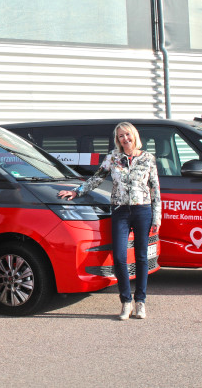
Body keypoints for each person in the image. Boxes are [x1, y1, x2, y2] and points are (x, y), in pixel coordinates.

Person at [58, 122, 161, 320]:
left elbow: (155, 189)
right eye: (121, 136)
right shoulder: (113, 158)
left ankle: (140, 302)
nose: (125, 139)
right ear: (117, 139)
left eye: (128, 135)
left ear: (134, 136)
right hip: (120, 211)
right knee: (120, 257)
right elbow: (96, 179)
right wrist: (76, 191)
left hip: (143, 210)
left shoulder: (148, 158)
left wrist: (157, 216)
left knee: (141, 257)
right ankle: (125, 301)